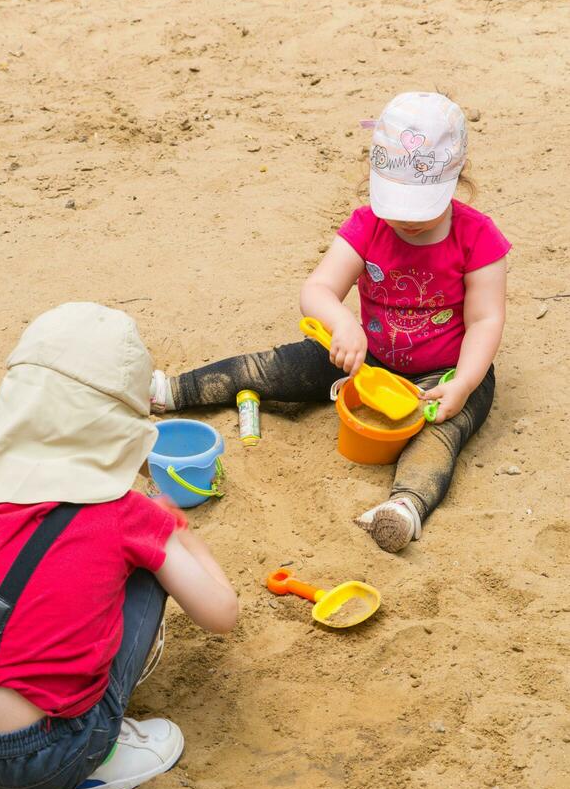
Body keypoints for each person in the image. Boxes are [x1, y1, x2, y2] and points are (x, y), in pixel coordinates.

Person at [149, 92, 511, 552]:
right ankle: (171, 391)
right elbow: (317, 290)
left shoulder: (478, 238)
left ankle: (403, 508)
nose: (404, 221)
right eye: (394, 206)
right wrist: (343, 324)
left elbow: (485, 320)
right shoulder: (367, 226)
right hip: (365, 356)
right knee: (272, 368)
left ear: (455, 179)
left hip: (442, 375)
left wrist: (462, 384)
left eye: (418, 209)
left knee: (442, 436)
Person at [0, 303, 237, 789]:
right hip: (52, 755)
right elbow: (222, 614)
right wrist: (173, 528)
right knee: (149, 564)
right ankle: (101, 763)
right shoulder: (127, 513)